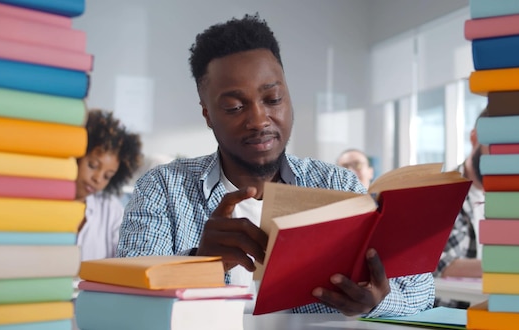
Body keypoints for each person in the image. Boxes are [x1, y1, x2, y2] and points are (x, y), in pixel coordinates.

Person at [118, 14, 434, 317]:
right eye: (234, 107)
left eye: (272, 99)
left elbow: (422, 290)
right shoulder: (162, 188)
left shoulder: (339, 186)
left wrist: (376, 300)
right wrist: (198, 264)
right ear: (207, 115)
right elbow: (125, 299)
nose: (258, 120)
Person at [433, 107, 489, 308]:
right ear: (474, 138)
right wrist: (511, 265)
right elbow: (443, 264)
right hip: (453, 310)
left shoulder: (516, 197)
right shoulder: (443, 192)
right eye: (493, 147)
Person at [76, 109, 142, 261]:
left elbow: (124, 261)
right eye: (92, 165)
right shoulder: (46, 201)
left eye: (108, 176)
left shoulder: (111, 210)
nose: (98, 179)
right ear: (77, 156)